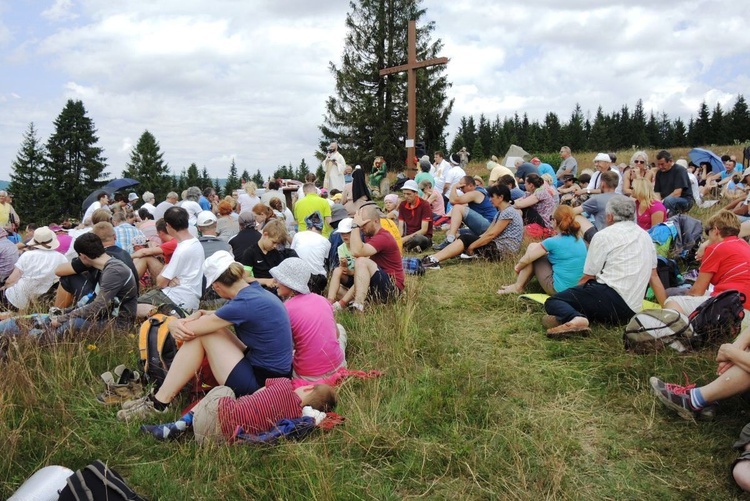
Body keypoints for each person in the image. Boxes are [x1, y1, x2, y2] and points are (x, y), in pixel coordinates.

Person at [118, 251, 293, 421]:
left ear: (216, 286)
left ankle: (159, 403)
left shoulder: (244, 303)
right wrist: (200, 313)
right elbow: (214, 316)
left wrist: (172, 323)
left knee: (202, 335)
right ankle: (159, 400)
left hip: (262, 384)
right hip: (274, 375)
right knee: (212, 329)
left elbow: (190, 331)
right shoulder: (256, 294)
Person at [543, 195, 667, 338]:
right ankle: (575, 317)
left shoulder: (603, 235)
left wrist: (573, 296)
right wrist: (667, 310)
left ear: (609, 216)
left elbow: (587, 277)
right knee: (587, 299)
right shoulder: (645, 236)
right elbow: (654, 277)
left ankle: (577, 319)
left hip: (610, 298)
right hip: (631, 311)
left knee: (554, 301)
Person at [270, 258, 346, 379]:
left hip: (308, 376)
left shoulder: (284, 309)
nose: (275, 281)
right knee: (340, 328)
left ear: (288, 283)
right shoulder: (322, 299)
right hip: (338, 367)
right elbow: (336, 335)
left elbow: (283, 348)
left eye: (279, 278)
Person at [664, 210, 750, 315]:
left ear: (715, 231)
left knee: (672, 300)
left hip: (731, 303)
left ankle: (680, 329)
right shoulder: (744, 245)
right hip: (743, 301)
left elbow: (696, 292)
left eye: (708, 233)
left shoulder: (716, 248)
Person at [422, 184, 523, 269]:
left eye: (492, 196)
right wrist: (474, 242)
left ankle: (434, 260)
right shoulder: (501, 212)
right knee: (465, 237)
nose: (490, 199)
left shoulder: (508, 212)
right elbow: (487, 232)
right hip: (499, 248)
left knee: (466, 238)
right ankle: (436, 257)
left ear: (501, 197)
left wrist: (472, 246)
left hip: (503, 252)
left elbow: (491, 235)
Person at [498, 205, 587, 296]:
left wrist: (518, 266)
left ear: (555, 221)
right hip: (577, 290)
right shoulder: (579, 240)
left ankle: (518, 287)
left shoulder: (553, 242)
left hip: (558, 290)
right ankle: (520, 284)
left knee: (533, 251)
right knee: (534, 247)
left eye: (551, 218)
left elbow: (527, 259)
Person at [136, 207, 204, 317]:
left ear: (168, 226)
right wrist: (170, 278)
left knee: (131, 307)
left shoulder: (181, 249)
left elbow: (160, 283)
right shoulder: (195, 242)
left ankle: (171, 313)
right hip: (192, 297)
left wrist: (167, 272)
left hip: (176, 297)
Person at [348, 204, 405, 311]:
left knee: (361, 261)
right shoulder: (368, 235)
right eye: (360, 224)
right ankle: (358, 304)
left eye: (364, 223)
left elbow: (356, 252)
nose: (361, 227)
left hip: (392, 288)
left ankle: (358, 305)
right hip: (378, 281)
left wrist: (355, 226)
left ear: (376, 221)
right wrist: (341, 303)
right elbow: (361, 274)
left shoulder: (383, 237)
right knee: (342, 279)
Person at [1, 226, 68, 310]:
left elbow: (12, 280)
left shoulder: (27, 255)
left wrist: (5, 287)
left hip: (18, 300)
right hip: (43, 301)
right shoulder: (62, 258)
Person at [434, 175, 497, 250]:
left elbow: (453, 201)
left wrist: (454, 187)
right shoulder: (476, 193)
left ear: (470, 185)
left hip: (488, 225)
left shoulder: (476, 193)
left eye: (462, 187)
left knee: (457, 207)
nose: (461, 190)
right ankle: (459, 244)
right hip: (483, 226)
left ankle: (450, 240)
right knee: (451, 232)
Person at [239, 219, 297, 290]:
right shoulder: (250, 253)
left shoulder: (276, 252)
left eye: (277, 244)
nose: (275, 246)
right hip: (260, 290)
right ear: (265, 235)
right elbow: (245, 278)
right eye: (273, 242)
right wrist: (265, 281)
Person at [291, 212, 331, 295]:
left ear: (307, 226)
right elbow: (324, 260)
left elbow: (292, 253)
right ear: (321, 228)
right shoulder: (326, 241)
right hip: (317, 279)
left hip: (297, 276)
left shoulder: (298, 235)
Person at [572, 171, 619, 241]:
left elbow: (573, 211)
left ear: (603, 183)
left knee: (576, 216)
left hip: (602, 237)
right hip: (619, 235)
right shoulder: (626, 200)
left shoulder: (597, 199)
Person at [654, 150, 693, 214]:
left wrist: (662, 201)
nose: (660, 167)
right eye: (658, 164)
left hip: (684, 199)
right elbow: (657, 192)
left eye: (662, 164)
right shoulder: (659, 173)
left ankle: (670, 218)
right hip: (665, 199)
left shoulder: (679, 170)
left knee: (669, 201)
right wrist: (658, 202)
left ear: (670, 161)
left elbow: (677, 193)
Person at [398, 180, 433, 252]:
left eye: (409, 194)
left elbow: (424, 230)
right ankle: (410, 248)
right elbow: (401, 227)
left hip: (422, 237)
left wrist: (405, 239)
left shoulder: (425, 205)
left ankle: (406, 248)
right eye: (404, 194)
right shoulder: (402, 205)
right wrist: (398, 238)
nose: (406, 196)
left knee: (418, 239)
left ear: (416, 193)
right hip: (407, 236)